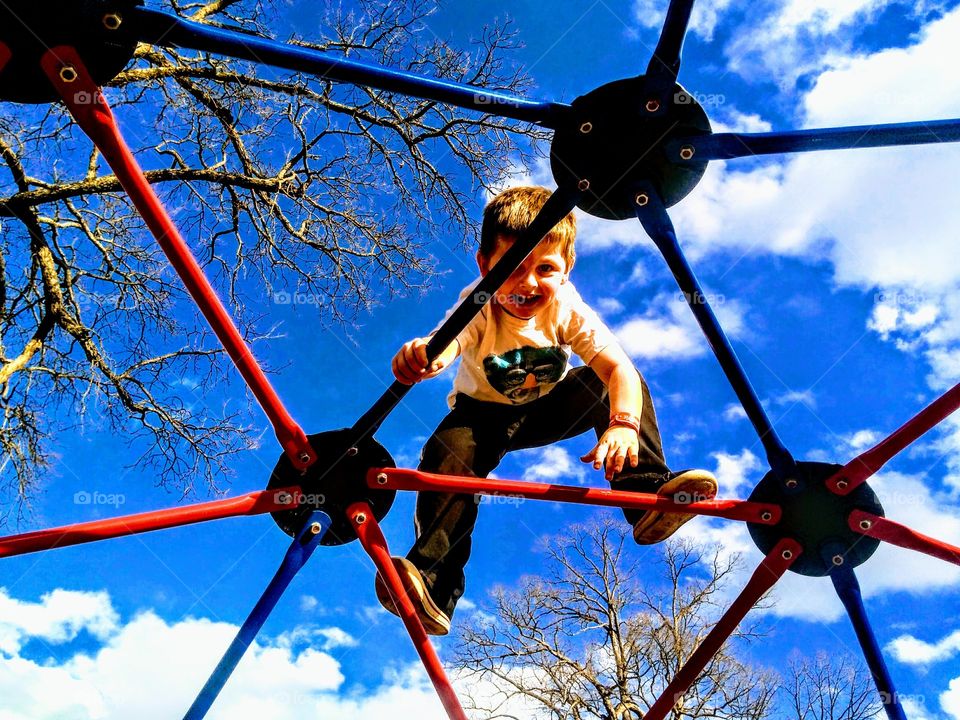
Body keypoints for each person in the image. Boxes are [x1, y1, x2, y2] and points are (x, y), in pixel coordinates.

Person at [376, 186, 718, 635]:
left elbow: (619, 369)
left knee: (607, 379)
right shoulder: (478, 300)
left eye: (545, 269)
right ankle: (434, 583)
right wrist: (426, 356)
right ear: (484, 266)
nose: (528, 283)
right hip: (480, 416)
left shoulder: (566, 305)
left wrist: (622, 426)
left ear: (567, 269)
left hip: (546, 408)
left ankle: (648, 495)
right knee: (447, 453)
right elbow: (449, 341)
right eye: (512, 268)